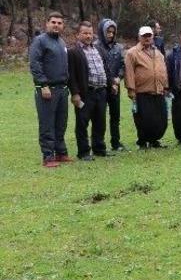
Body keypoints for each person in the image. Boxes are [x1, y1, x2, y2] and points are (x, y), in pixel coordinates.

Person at [29, 12, 71, 167]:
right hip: (47, 89)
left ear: (63, 26)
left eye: (59, 23)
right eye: (53, 22)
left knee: (61, 123)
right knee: (47, 123)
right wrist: (43, 85)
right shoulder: (40, 41)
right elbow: (35, 64)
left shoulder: (61, 42)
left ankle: (61, 153)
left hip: (62, 89)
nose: (56, 25)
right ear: (47, 23)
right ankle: (48, 157)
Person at [67, 21, 111, 160]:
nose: (88, 36)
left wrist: (111, 85)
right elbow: (71, 75)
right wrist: (75, 93)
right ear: (78, 34)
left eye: (90, 33)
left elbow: (106, 69)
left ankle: (99, 148)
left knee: (100, 122)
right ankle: (84, 152)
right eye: (85, 33)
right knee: (82, 123)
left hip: (101, 92)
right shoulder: (73, 52)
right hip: (86, 93)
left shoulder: (98, 49)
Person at [124, 25, 169, 149]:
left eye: (149, 35)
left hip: (158, 91)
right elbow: (129, 72)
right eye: (144, 36)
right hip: (142, 92)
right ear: (139, 37)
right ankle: (143, 142)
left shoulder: (158, 53)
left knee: (161, 119)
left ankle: (154, 140)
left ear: (153, 37)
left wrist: (165, 86)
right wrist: (131, 89)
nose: (147, 38)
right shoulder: (132, 53)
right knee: (144, 120)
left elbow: (163, 70)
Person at [95, 18, 127, 152]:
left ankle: (116, 142)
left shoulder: (118, 47)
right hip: (101, 87)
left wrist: (119, 78)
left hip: (115, 87)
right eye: (108, 32)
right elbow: (99, 67)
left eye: (113, 32)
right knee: (99, 117)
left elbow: (122, 65)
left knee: (115, 116)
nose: (110, 35)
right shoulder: (95, 47)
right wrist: (111, 82)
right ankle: (99, 144)